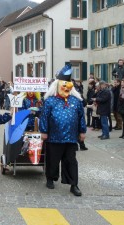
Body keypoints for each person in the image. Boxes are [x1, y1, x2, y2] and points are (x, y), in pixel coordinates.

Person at [39, 64, 86, 196]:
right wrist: (44, 131)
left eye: (68, 85)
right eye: (63, 85)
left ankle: (73, 184)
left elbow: (81, 116)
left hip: (71, 137)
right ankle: (50, 178)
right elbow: (44, 117)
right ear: (57, 85)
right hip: (54, 137)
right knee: (53, 160)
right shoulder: (50, 101)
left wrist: (82, 131)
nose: (65, 88)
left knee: (71, 161)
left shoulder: (76, 101)